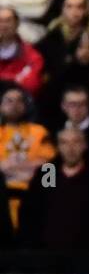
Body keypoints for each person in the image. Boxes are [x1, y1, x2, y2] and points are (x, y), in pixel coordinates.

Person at [18, 126, 89, 252]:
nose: (70, 148)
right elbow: (36, 209)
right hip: (49, 255)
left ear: (85, 145)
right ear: (58, 147)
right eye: (64, 143)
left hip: (88, 256)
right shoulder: (49, 172)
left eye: (76, 142)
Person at [1, 85, 56, 231]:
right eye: (9, 101)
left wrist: (8, 169)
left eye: (19, 101)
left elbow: (49, 168)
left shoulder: (39, 131)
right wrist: (29, 170)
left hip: (36, 200)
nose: (14, 105)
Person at [0, 5, 44, 94]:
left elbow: (32, 85)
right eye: (0, 21)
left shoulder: (32, 55)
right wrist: (15, 79)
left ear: (16, 24)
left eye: (8, 20)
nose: (3, 25)